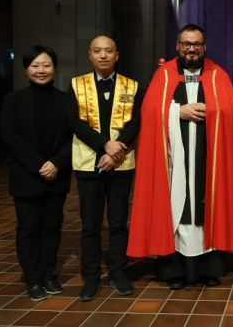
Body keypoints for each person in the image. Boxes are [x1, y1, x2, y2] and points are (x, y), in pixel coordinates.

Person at [127, 24, 233, 289]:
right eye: (186, 44)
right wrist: (177, 112)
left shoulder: (218, 75)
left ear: (204, 47)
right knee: (176, 206)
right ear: (178, 46)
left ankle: (209, 269)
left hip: (209, 158)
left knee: (207, 204)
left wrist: (214, 111)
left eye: (196, 44)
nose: (191, 49)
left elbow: (232, 114)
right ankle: (174, 271)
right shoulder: (164, 75)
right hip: (174, 160)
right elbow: (150, 113)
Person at [68, 35, 141, 301]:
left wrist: (116, 150)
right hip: (89, 164)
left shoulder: (132, 86)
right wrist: (104, 146)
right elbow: (74, 121)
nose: (103, 55)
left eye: (108, 51)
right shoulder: (77, 84)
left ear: (116, 55)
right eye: (97, 51)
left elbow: (136, 122)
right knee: (90, 224)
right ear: (90, 55)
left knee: (119, 223)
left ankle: (118, 272)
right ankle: (91, 277)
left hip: (121, 164)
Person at [0, 45, 72, 301]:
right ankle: (32, 278)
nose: (41, 70)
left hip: (57, 175)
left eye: (46, 65)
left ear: (54, 68)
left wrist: (57, 163)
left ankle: (48, 274)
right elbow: (9, 135)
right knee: (28, 228)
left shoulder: (65, 99)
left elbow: (72, 136)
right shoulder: (13, 99)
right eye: (35, 65)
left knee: (52, 227)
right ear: (27, 69)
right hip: (26, 175)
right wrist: (39, 165)